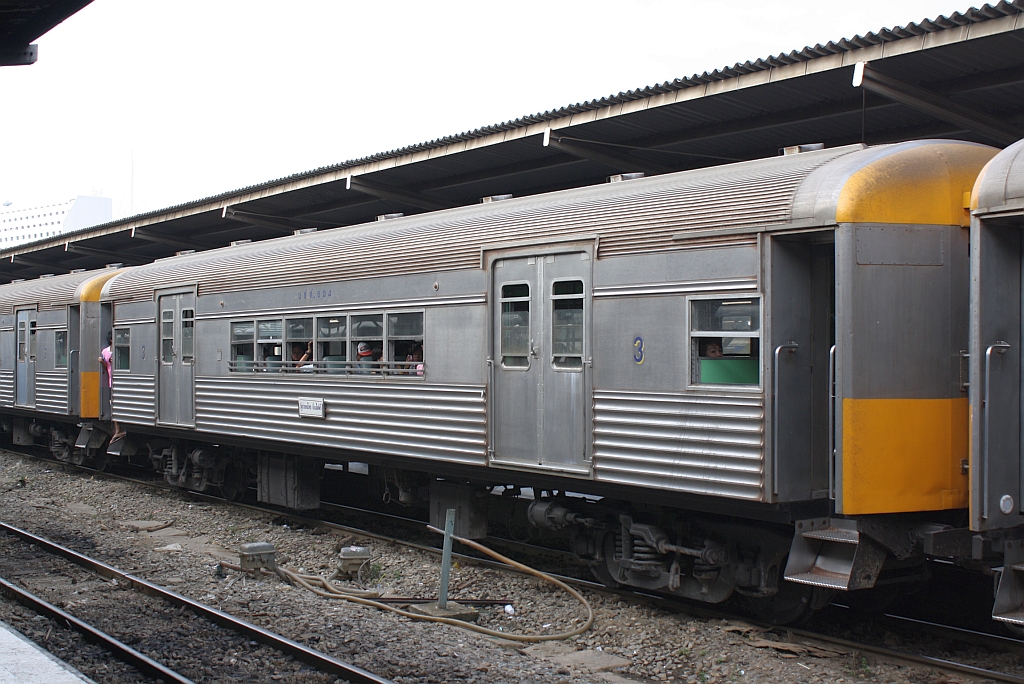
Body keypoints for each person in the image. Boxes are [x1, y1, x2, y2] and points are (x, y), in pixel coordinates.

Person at [99, 332, 124, 441]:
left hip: (121, 381)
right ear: (111, 340)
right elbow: (107, 367)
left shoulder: (122, 349)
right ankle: (117, 430)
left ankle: (120, 429)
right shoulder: (105, 352)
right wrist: (102, 362)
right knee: (114, 405)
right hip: (111, 381)